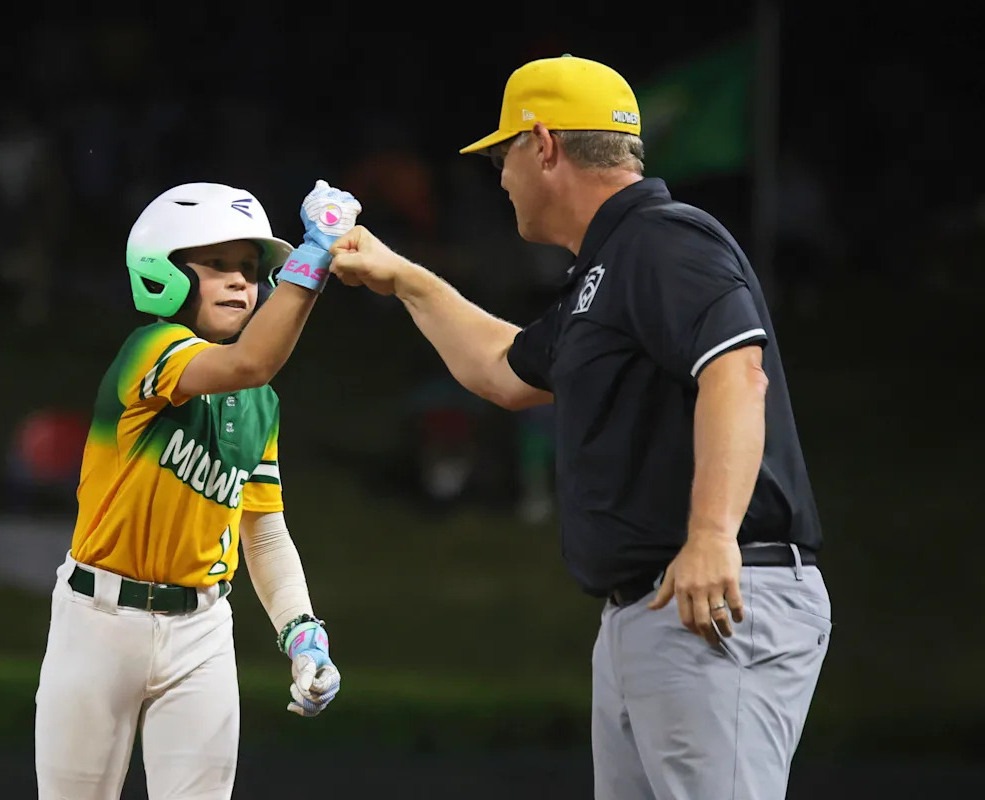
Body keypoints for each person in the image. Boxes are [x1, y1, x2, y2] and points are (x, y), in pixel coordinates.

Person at [328, 55, 830, 800]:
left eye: (502, 155)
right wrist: (404, 278)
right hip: (652, 609)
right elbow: (503, 369)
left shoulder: (665, 240)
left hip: (715, 592)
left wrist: (711, 535)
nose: (500, 177)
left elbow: (736, 373)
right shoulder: (610, 266)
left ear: (544, 144)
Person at [34, 179, 362, 800]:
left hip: (202, 628)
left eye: (250, 269)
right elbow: (249, 361)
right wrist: (315, 253)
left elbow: (263, 532)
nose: (240, 281)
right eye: (217, 264)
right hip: (99, 621)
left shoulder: (260, 402)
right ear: (167, 272)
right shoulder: (151, 349)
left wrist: (302, 631)